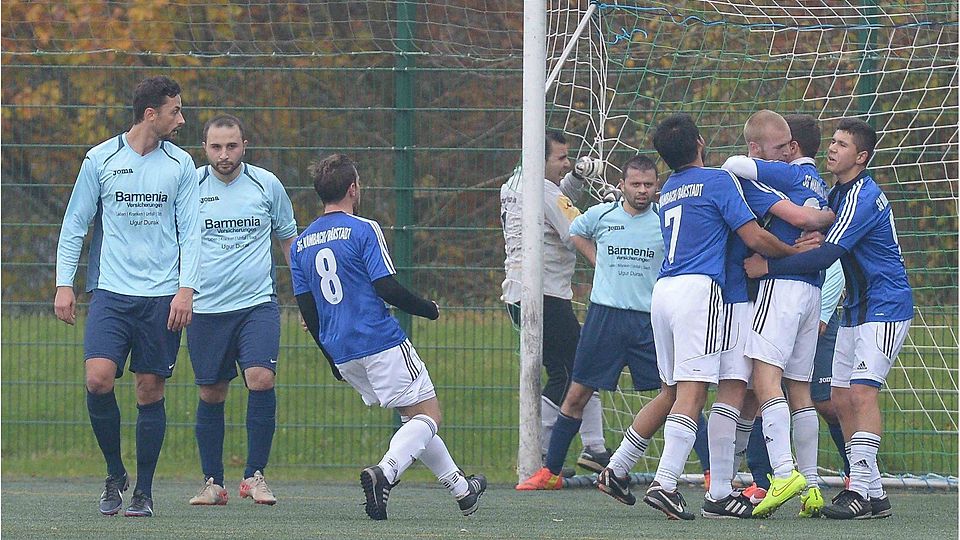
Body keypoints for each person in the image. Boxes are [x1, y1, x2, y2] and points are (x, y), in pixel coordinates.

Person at [291, 154, 486, 520]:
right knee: (429, 416)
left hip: (341, 350)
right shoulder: (364, 228)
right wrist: (428, 308)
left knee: (414, 419)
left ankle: (463, 491)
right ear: (353, 189)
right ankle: (386, 473)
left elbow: (309, 311)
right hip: (377, 339)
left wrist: (330, 358)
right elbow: (386, 287)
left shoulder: (301, 244)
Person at [745, 118, 912, 520]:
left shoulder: (863, 195)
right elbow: (821, 241)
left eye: (842, 144)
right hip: (857, 308)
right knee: (837, 397)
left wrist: (769, 265)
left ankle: (858, 489)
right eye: (832, 142)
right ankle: (874, 495)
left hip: (885, 305)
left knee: (861, 394)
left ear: (862, 157)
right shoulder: (838, 193)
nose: (833, 149)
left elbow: (826, 255)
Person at [54, 76, 201, 517]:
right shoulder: (101, 158)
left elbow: (191, 233)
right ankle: (115, 473)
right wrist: (65, 282)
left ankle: (145, 491)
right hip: (111, 293)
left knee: (148, 390)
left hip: (162, 298)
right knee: (98, 379)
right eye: (175, 110)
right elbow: (75, 224)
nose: (182, 118)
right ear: (150, 114)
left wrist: (185, 290)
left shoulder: (181, 165)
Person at [642, 113, 799, 520]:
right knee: (692, 392)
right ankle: (665, 482)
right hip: (700, 290)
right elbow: (753, 237)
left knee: (685, 387)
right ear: (699, 141)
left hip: (663, 292)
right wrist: (796, 252)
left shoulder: (668, 190)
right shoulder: (717, 179)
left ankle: (717, 494)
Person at [516, 155, 664, 490]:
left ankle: (713, 472)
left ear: (657, 187)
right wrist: (597, 259)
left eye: (648, 185)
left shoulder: (664, 222)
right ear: (622, 185)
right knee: (577, 393)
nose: (642, 191)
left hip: (648, 321)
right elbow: (576, 232)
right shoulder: (601, 215)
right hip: (604, 318)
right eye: (636, 184)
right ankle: (550, 472)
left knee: (677, 394)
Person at [718, 111, 835, 517]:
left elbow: (733, 167)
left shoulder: (770, 178)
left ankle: (783, 473)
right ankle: (813, 486)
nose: (784, 151)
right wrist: (820, 217)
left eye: (788, 145)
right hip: (812, 290)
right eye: (778, 145)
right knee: (799, 389)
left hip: (781, 289)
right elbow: (810, 217)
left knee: (765, 379)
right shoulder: (814, 178)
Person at [185, 114, 297, 506]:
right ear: (205, 149)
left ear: (244, 145)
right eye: (216, 147)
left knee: (261, 378)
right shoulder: (191, 185)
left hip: (256, 304)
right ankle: (212, 483)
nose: (224, 154)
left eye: (231, 146)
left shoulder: (266, 184)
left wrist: (305, 297)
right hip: (205, 307)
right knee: (211, 392)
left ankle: (255, 475)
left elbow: (288, 241)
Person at [500, 131, 609, 474]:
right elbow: (575, 228)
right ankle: (544, 454)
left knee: (578, 367)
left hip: (519, 292)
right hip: (544, 295)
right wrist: (615, 207)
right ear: (539, 160)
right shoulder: (543, 191)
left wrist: (576, 179)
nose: (566, 163)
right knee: (574, 373)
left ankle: (593, 446)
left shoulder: (513, 185)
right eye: (561, 158)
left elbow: (557, 200)